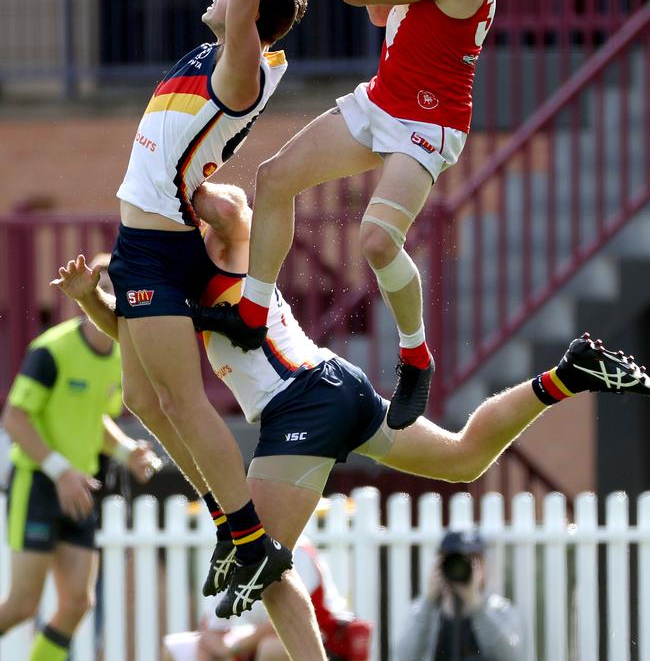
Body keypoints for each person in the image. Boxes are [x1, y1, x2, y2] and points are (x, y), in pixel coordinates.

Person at [52, 182, 650, 621]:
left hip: (303, 402)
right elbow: (146, 344)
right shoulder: (176, 281)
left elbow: (227, 207)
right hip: (330, 387)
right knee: (466, 458)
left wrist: (177, 172)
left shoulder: (227, 232)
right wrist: (88, 299)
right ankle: (568, 376)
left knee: (263, 567)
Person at [81, 0, 356, 655]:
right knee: (140, 401)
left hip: (161, 251)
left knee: (181, 401)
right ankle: (229, 516)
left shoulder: (239, 67)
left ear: (247, 16)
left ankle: (243, 537)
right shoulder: (244, 49)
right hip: (144, 245)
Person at [202, 0, 531, 432]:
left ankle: (414, 357)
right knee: (275, 178)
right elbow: (384, 10)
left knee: (377, 241)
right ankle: (252, 314)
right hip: (383, 102)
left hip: (428, 125)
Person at [0, 255, 158, 661]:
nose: (111, 297)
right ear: (85, 295)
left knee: (77, 604)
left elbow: (96, 420)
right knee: (21, 606)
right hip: (39, 483)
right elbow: (14, 419)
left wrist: (127, 452)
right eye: (102, 288)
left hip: (80, 488)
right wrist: (60, 471)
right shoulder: (51, 350)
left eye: (119, 289)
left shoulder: (122, 356)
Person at [162, 534, 368, 661]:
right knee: (176, 647)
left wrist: (234, 648)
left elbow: (289, 617)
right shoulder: (230, 556)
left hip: (323, 641)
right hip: (256, 640)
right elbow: (210, 632)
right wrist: (221, 650)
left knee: (273, 648)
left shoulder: (295, 550)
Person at [395, 529, 522, 661]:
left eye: (473, 559)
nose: (462, 567)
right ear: (440, 564)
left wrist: (476, 605)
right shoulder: (424, 610)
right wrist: (429, 601)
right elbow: (404, 656)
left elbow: (510, 656)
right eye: (455, 560)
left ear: (483, 566)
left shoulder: (501, 609)